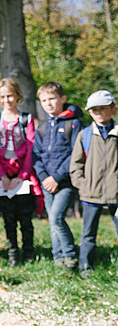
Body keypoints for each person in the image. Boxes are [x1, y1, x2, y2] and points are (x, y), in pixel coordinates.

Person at [0, 78, 39, 267]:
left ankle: (29, 253)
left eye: (10, 95)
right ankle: (12, 253)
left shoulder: (27, 119)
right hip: (2, 177)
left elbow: (31, 149)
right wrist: (3, 176)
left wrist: (21, 177)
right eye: (3, 96)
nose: (7, 100)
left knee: (25, 218)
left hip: (22, 175)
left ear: (17, 96)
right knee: (8, 219)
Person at [33, 82, 83, 270]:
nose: (48, 103)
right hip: (47, 182)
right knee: (53, 222)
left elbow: (75, 154)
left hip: (65, 182)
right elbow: (36, 155)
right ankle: (57, 258)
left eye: (52, 98)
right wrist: (45, 176)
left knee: (56, 217)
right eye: (44, 100)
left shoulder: (74, 123)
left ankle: (70, 256)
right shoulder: (42, 127)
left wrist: (56, 177)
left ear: (62, 99)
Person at [70, 90, 118, 278]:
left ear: (113, 109)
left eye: (103, 109)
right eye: (94, 109)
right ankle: (85, 268)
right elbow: (76, 164)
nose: (98, 112)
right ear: (89, 112)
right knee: (88, 234)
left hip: (116, 195)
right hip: (91, 194)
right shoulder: (85, 135)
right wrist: (83, 184)